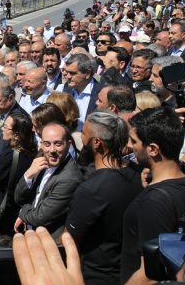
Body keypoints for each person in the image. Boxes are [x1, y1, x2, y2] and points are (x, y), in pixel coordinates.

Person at [120, 107, 185, 283]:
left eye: (134, 141)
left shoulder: (153, 202)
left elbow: (149, 274)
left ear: (153, 149)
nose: (129, 146)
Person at [66, 111, 142, 285]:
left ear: (97, 143)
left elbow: (70, 238)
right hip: (127, 271)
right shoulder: (136, 175)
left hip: (96, 276)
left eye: (84, 134)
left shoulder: (91, 190)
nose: (80, 139)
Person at [13, 122, 84, 239]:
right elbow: (18, 197)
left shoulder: (70, 178)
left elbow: (40, 217)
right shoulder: (40, 162)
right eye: (47, 144)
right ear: (41, 144)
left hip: (49, 241)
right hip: (30, 234)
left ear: (68, 144)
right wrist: (28, 175)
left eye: (58, 144)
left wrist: (22, 212)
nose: (52, 150)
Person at [59, 53, 102, 129]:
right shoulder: (66, 89)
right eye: (67, 72)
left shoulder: (101, 93)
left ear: (87, 74)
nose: (68, 76)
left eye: (72, 73)